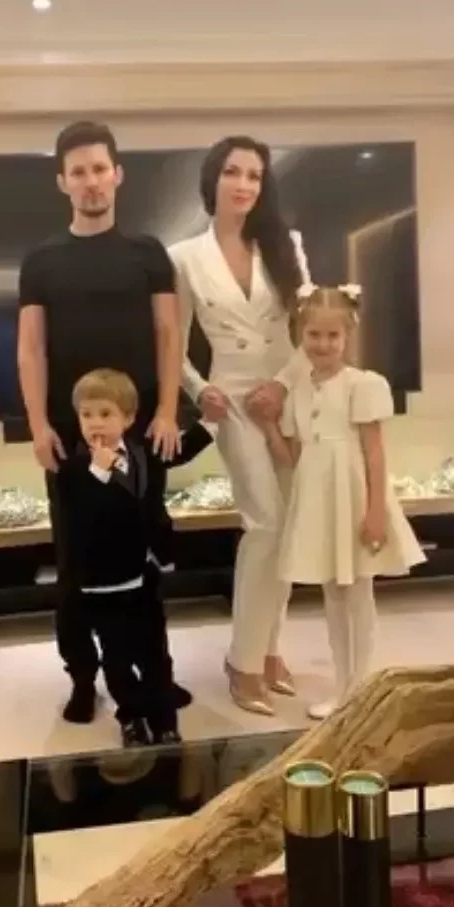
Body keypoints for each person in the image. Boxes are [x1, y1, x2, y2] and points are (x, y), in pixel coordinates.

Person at [17, 120, 188, 725]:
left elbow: (169, 334)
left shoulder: (148, 254)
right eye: (78, 171)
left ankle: (152, 674)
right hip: (71, 440)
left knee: (144, 559)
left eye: (99, 169)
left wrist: (167, 411)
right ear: (62, 182)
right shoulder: (41, 262)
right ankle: (83, 678)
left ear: (117, 175)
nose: (90, 181)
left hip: (141, 433)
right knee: (75, 564)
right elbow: (31, 349)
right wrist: (39, 425)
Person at [169, 135, 312, 716]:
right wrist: (198, 389)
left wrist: (285, 384)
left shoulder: (286, 244)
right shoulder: (184, 257)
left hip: (288, 396)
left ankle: (271, 651)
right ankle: (243, 660)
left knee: (290, 526)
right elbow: (173, 344)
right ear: (213, 179)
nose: (244, 184)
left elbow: (310, 326)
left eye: (254, 175)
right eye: (233, 172)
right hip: (232, 403)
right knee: (266, 525)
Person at [259, 285, 425, 719]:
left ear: (347, 336)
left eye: (332, 336)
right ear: (300, 335)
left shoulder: (362, 385)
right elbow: (293, 456)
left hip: (352, 498)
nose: (323, 344)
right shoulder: (299, 388)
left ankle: (361, 687)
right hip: (318, 500)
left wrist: (375, 511)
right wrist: (269, 426)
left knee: (357, 596)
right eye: (314, 335)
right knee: (333, 597)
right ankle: (343, 685)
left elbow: (374, 452)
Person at [59, 369, 213, 747]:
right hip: (101, 584)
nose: (95, 423)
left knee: (155, 653)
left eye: (105, 414)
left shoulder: (143, 455)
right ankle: (130, 716)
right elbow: (82, 516)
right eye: (86, 415)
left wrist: (213, 423)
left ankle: (164, 720)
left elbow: (179, 450)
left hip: (144, 576)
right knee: (117, 658)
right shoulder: (74, 470)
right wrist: (100, 472)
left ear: (128, 418)